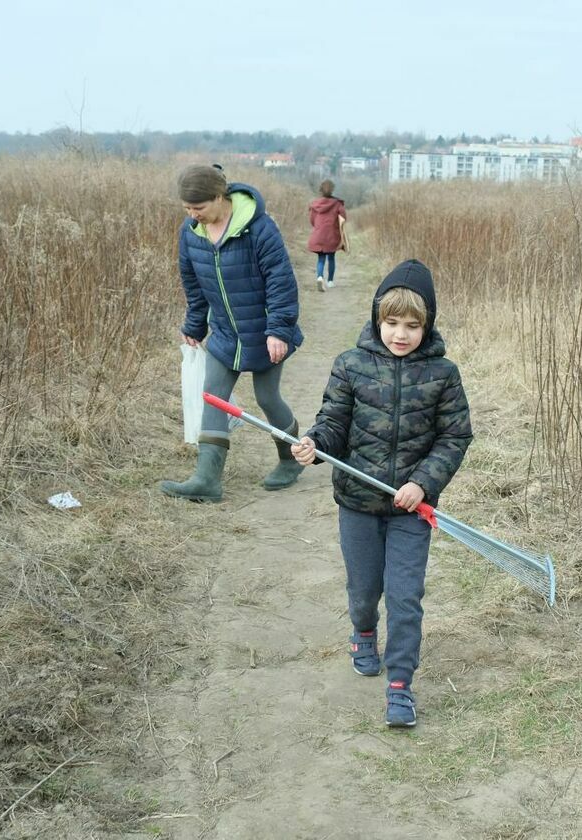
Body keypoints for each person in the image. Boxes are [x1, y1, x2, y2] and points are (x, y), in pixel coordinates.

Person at [291, 259, 472, 727]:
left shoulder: (443, 374)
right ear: (377, 318)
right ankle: (363, 630)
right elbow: (333, 422)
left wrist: (423, 483)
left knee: (406, 596)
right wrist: (315, 445)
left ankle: (401, 686)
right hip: (358, 502)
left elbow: (455, 437)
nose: (400, 334)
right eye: (391, 322)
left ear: (426, 325)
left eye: (412, 325)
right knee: (365, 589)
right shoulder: (350, 366)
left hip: (411, 509)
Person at [161, 164, 304, 502]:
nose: (193, 216)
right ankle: (206, 479)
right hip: (225, 334)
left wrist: (279, 331)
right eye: (187, 210)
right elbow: (193, 285)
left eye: (199, 208)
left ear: (219, 197)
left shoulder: (259, 229)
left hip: (264, 332)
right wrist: (195, 325)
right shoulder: (191, 233)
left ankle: (291, 459)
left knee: (267, 398)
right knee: (213, 395)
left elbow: (281, 281)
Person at [307, 179, 347, 292]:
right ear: (332, 190)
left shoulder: (315, 204)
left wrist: (318, 227)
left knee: (320, 258)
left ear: (321, 190)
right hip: (332, 236)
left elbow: (312, 220)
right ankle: (330, 281)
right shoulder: (337, 204)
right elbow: (343, 218)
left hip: (319, 235)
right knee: (331, 258)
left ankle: (319, 277)